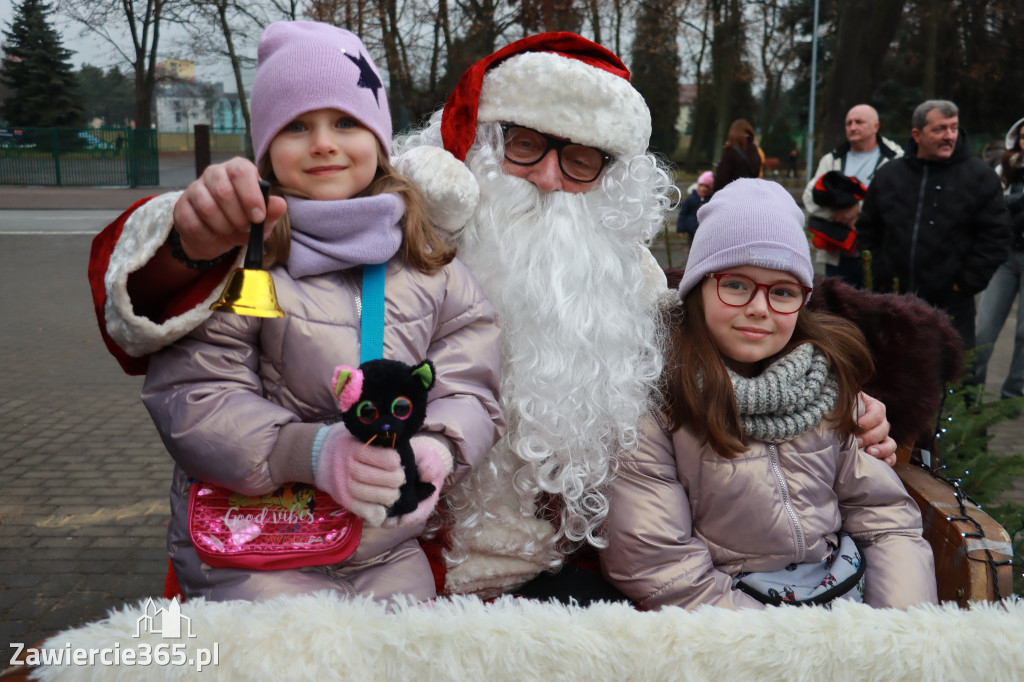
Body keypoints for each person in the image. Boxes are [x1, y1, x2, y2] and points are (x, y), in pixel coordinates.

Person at [88, 33, 896, 603]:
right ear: (477, 150)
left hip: (582, 576)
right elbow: (159, 306)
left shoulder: (633, 284)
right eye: (525, 146)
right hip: (395, 566)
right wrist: (191, 245)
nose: (548, 178)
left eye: (581, 159)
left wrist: (838, 411)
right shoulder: (417, 238)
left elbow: (744, 360)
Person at [136, 21, 502, 604]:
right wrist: (310, 451)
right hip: (256, 546)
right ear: (266, 149)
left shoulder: (429, 263)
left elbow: (470, 377)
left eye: (346, 122)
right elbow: (196, 396)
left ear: (379, 140)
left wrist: (438, 447)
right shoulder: (242, 262)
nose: (324, 143)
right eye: (298, 126)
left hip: (388, 543)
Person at [600, 179, 937, 610]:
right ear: (699, 288)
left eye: (782, 291)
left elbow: (887, 518)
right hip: (735, 618)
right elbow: (659, 565)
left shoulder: (824, 387)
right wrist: (777, 648)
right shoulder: (658, 404)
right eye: (736, 284)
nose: (759, 307)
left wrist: (899, 630)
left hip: (846, 600)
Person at [858, 100, 1011, 353]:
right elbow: (868, 229)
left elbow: (996, 235)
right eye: (940, 129)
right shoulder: (889, 175)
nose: (949, 136)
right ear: (917, 134)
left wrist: (965, 284)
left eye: (954, 128)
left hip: (951, 307)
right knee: (892, 376)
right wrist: (879, 276)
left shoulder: (979, 177)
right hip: (893, 301)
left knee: (951, 383)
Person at [802, 104, 903, 287]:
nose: (853, 127)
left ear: (876, 126)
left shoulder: (895, 159)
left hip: (880, 255)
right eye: (849, 123)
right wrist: (836, 215)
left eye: (859, 122)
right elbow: (809, 198)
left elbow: (897, 199)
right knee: (839, 312)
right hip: (838, 256)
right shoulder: (832, 160)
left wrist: (858, 210)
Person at [975, 116, 1024, 398]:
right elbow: (992, 205)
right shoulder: (1004, 168)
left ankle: (1013, 394)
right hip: (1004, 257)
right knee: (985, 330)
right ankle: (971, 390)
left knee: (1022, 334)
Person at [712, 119, 761, 194]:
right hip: (750, 193)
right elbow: (757, 172)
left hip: (732, 195)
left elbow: (721, 179)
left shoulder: (730, 152)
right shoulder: (754, 149)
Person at [675, 170, 712, 241]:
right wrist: (681, 229)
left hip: (705, 231)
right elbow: (683, 214)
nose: (703, 189)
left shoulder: (710, 200)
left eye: (706, 186)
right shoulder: (690, 199)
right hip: (692, 230)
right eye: (701, 186)